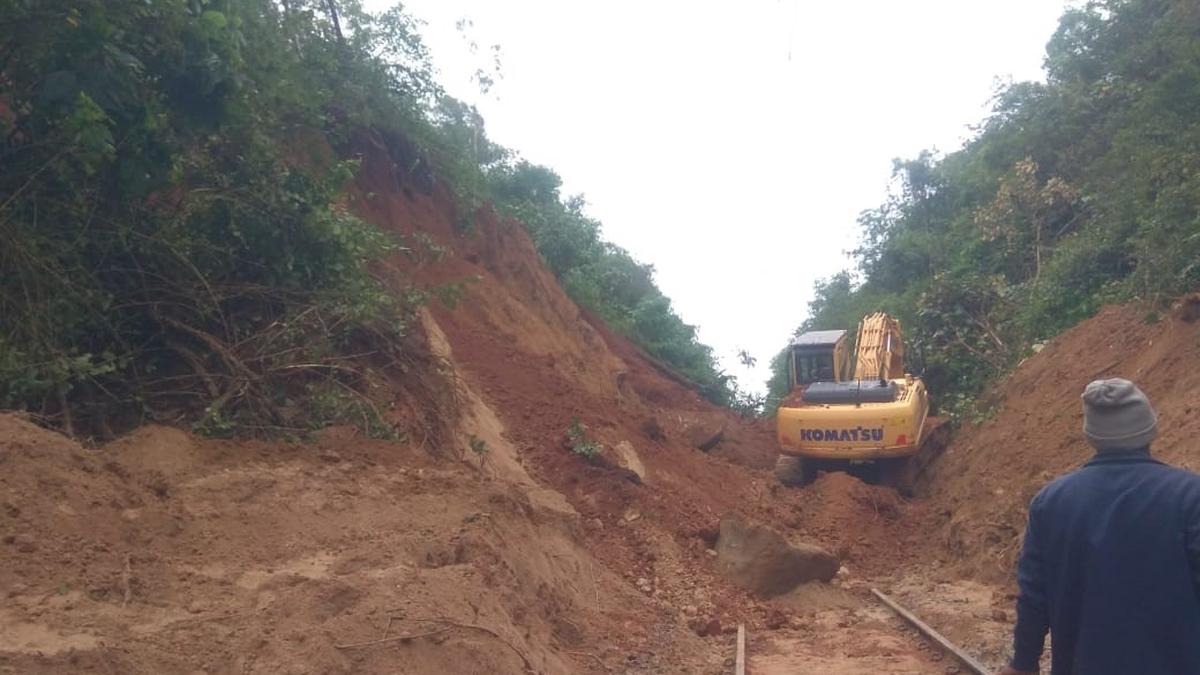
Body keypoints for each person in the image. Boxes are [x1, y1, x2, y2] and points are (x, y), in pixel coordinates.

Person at [999, 378, 1200, 674]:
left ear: (1092, 436)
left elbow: (1034, 598)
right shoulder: (1190, 496)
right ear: (1149, 429)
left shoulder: (1051, 503)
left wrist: (1023, 664)